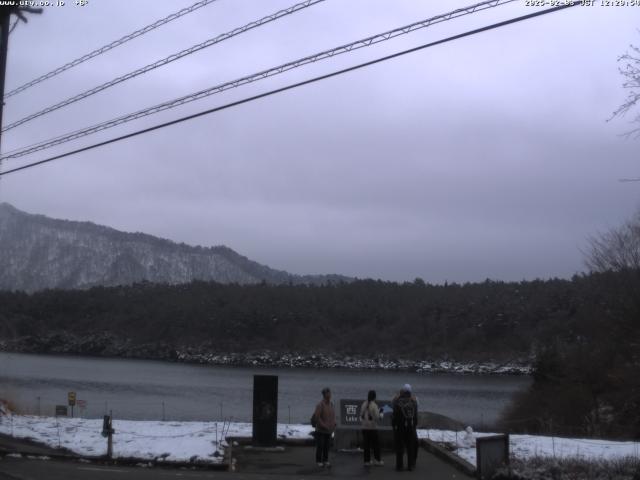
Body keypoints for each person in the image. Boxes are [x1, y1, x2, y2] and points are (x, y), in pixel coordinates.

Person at [392, 383, 418, 471]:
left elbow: (394, 415)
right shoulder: (413, 402)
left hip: (400, 427)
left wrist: (394, 425)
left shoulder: (398, 401)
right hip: (410, 426)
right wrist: (414, 425)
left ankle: (399, 466)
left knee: (400, 447)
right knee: (410, 447)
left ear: (402, 391)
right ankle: (410, 466)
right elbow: (416, 416)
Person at [313, 387, 336, 467]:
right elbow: (317, 417)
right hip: (320, 430)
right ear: (324, 394)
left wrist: (333, 425)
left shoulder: (332, 404)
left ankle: (325, 460)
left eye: (330, 393)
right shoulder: (320, 405)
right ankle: (318, 460)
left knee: (327, 446)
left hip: (329, 430)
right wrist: (323, 425)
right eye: (328, 393)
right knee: (320, 446)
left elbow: (333, 416)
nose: (329, 395)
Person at [360, 390, 384, 466]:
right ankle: (377, 460)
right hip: (373, 428)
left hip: (364, 427)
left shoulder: (364, 404)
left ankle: (367, 461)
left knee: (366, 445)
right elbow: (377, 417)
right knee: (376, 445)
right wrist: (381, 414)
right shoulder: (374, 405)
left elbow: (361, 415)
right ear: (374, 397)